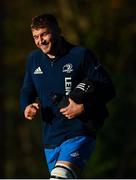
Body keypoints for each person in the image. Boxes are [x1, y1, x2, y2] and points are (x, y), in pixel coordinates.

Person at [20, 13, 116, 179]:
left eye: (44, 34)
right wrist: (27, 106)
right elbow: (27, 90)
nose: (40, 41)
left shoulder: (81, 55)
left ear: (58, 31)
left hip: (79, 132)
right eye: (35, 37)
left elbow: (109, 89)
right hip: (50, 138)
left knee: (60, 177)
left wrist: (83, 107)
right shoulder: (33, 60)